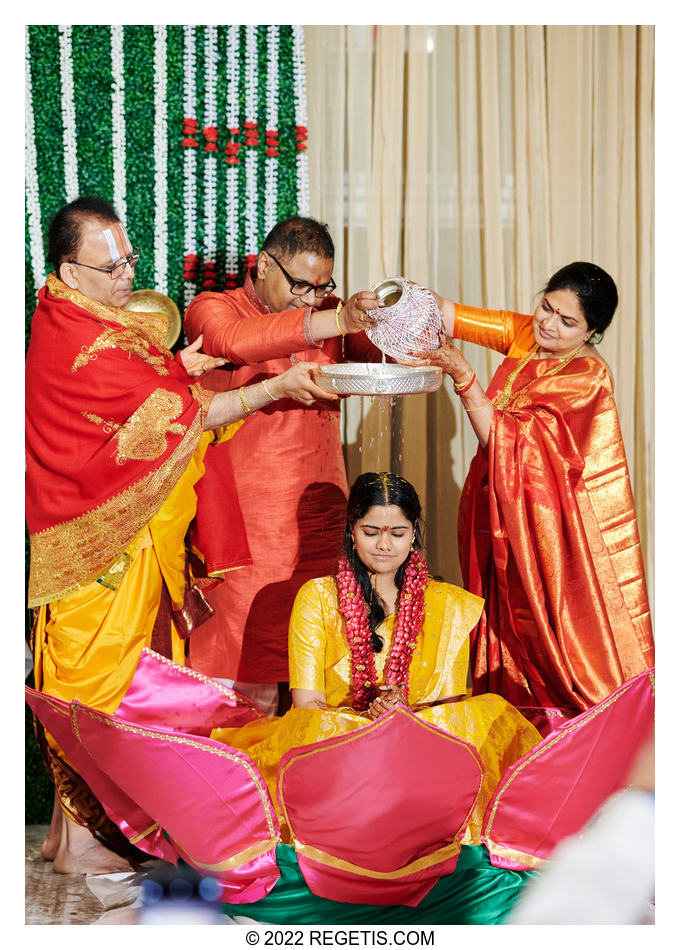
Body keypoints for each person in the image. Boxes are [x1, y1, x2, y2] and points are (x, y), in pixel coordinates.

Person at [26, 196, 341, 875]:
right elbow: (170, 420)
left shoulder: (94, 317)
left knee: (107, 679)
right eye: (110, 267)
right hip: (95, 544)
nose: (125, 277)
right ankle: (82, 841)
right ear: (69, 269)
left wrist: (179, 373)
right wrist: (267, 387)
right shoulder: (76, 336)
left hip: (127, 543)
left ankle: (63, 836)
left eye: (129, 261)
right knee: (95, 688)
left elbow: (151, 395)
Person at [210, 472, 541, 842]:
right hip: (337, 747)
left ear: (413, 532)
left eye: (397, 533)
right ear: (352, 529)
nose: (385, 545)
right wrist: (365, 720)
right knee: (310, 730)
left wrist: (403, 719)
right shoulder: (317, 598)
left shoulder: (446, 604)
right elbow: (306, 704)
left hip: (420, 746)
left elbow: (448, 706)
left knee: (478, 721)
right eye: (371, 532)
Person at [410, 262, 655, 731]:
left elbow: (504, 443)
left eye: (568, 322)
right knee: (497, 623)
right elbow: (446, 313)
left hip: (545, 529)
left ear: (593, 332)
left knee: (547, 631)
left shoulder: (586, 376)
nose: (549, 324)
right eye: (547, 306)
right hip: (491, 505)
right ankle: (506, 729)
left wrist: (462, 374)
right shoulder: (529, 337)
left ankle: (563, 733)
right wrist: (394, 300)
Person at [183, 216, 384, 715]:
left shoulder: (329, 313)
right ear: (263, 265)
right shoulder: (214, 308)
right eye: (299, 284)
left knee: (317, 669)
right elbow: (232, 341)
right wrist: (333, 321)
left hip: (320, 521)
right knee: (241, 677)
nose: (310, 299)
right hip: (244, 530)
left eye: (323, 287)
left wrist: (395, 319)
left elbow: (383, 358)